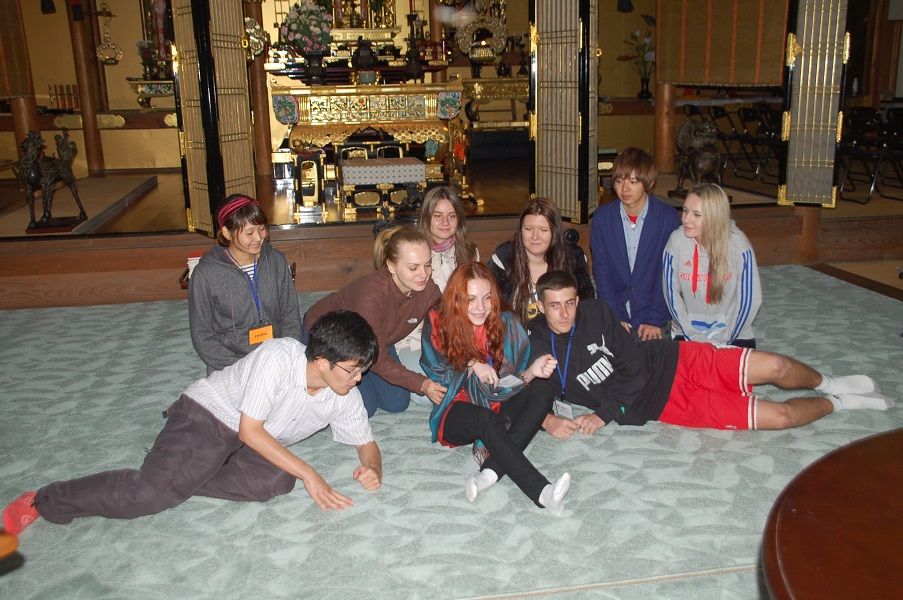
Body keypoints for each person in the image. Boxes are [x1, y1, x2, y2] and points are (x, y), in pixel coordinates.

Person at [2, 311, 384, 536]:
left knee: (276, 480)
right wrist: (311, 474)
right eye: (353, 370)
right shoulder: (278, 357)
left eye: (362, 370)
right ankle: (44, 499)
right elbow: (249, 429)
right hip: (209, 417)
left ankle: (179, 474)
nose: (359, 379)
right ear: (322, 362)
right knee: (148, 496)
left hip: (250, 440)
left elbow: (367, 444)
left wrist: (372, 468)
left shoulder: (343, 393)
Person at [529, 270, 891, 439]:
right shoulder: (535, 345)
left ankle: (828, 383)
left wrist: (604, 413)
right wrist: (546, 420)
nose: (565, 313)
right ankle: (839, 403)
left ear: (578, 299)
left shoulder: (596, 312)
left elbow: (635, 367)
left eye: (570, 303)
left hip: (675, 360)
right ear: (540, 306)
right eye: (555, 306)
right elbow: (514, 393)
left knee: (777, 366)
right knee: (780, 417)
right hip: (666, 405)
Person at [420, 263, 571, 513]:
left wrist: (532, 372)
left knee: (543, 391)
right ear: (456, 300)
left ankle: (489, 474)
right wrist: (471, 364)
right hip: (456, 409)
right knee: (485, 418)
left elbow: (507, 384)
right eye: (471, 299)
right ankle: (542, 492)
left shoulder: (505, 322)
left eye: (487, 297)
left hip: (498, 401)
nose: (481, 307)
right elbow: (437, 370)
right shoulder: (438, 320)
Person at [303, 226, 445, 417]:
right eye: (413, 267)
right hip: (330, 335)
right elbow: (378, 360)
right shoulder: (371, 297)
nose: (424, 274)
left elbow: (448, 324)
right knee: (365, 408)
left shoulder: (428, 289)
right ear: (391, 266)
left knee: (396, 402)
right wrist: (422, 383)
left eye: (427, 264)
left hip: (374, 340)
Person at [189, 194, 301, 374]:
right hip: (230, 366)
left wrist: (285, 354)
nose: (258, 237)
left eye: (262, 229)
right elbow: (203, 336)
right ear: (227, 233)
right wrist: (243, 368)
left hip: (277, 358)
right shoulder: (205, 274)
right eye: (249, 233)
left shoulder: (276, 261)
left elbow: (290, 316)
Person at [396, 186, 480, 404]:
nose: (445, 222)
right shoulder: (413, 253)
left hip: (458, 338)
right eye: (438, 216)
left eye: (451, 216)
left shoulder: (470, 254)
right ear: (427, 218)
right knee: (434, 394)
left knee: (484, 378)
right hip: (416, 340)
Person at [590, 147, 680, 340]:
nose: (624, 189)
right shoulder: (602, 218)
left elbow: (668, 273)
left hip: (655, 313)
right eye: (619, 181)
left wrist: (654, 319)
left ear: (650, 183)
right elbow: (602, 271)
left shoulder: (668, 218)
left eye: (633, 181)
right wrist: (615, 316)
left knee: (657, 356)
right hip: (616, 310)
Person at [663, 183, 762, 348]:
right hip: (688, 332)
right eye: (685, 210)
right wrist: (692, 335)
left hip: (734, 333)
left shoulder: (738, 244)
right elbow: (671, 295)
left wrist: (725, 339)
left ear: (715, 217)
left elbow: (750, 301)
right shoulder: (676, 241)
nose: (686, 219)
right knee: (673, 364)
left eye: (696, 214)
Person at [488, 197, 594, 324]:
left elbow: (586, 307)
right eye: (528, 229)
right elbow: (491, 307)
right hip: (515, 333)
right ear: (520, 230)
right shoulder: (504, 259)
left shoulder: (573, 260)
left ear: (554, 232)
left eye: (543, 230)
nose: (535, 236)